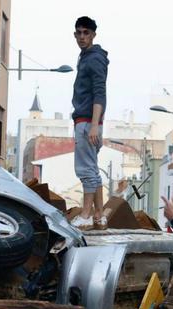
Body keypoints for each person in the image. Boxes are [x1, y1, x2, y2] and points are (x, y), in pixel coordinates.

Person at [70, 16, 109, 230]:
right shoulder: (87, 56)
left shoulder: (93, 58)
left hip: (88, 121)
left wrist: (94, 124)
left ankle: (85, 215)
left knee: (85, 170)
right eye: (79, 33)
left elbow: (99, 93)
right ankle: (99, 216)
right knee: (93, 170)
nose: (82, 37)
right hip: (87, 121)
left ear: (93, 35)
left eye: (86, 33)